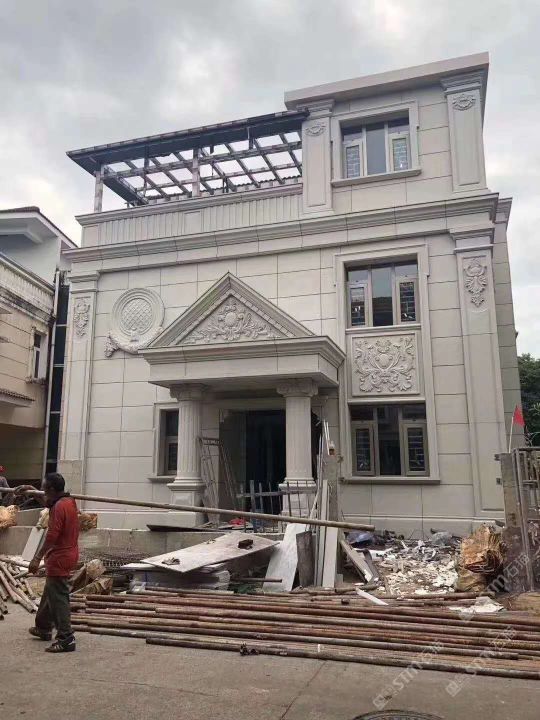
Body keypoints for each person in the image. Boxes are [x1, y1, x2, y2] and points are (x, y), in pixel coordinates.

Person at [20, 473, 79, 653]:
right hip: (69, 553)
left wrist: (37, 558)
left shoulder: (59, 507)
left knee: (59, 597)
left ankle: (66, 638)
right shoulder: (68, 501)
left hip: (59, 557)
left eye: (44, 489)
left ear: (52, 489)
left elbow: (52, 535)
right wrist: (32, 491)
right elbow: (48, 503)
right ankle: (43, 627)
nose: (43, 491)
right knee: (51, 591)